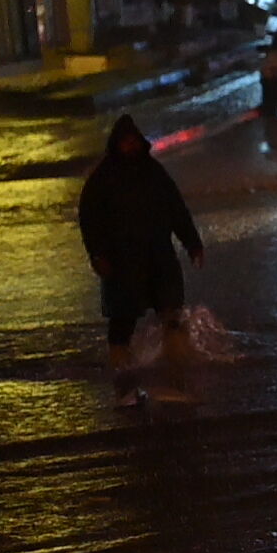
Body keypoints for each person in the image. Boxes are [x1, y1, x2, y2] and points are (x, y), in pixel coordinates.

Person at [78, 115, 204, 406]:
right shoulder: (102, 179)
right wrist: (97, 254)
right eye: (126, 142)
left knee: (171, 313)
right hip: (121, 262)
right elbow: (90, 220)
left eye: (134, 141)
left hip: (159, 256)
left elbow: (177, 210)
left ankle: (178, 372)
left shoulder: (154, 173)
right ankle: (122, 378)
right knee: (122, 320)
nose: (131, 146)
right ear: (117, 144)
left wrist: (193, 243)